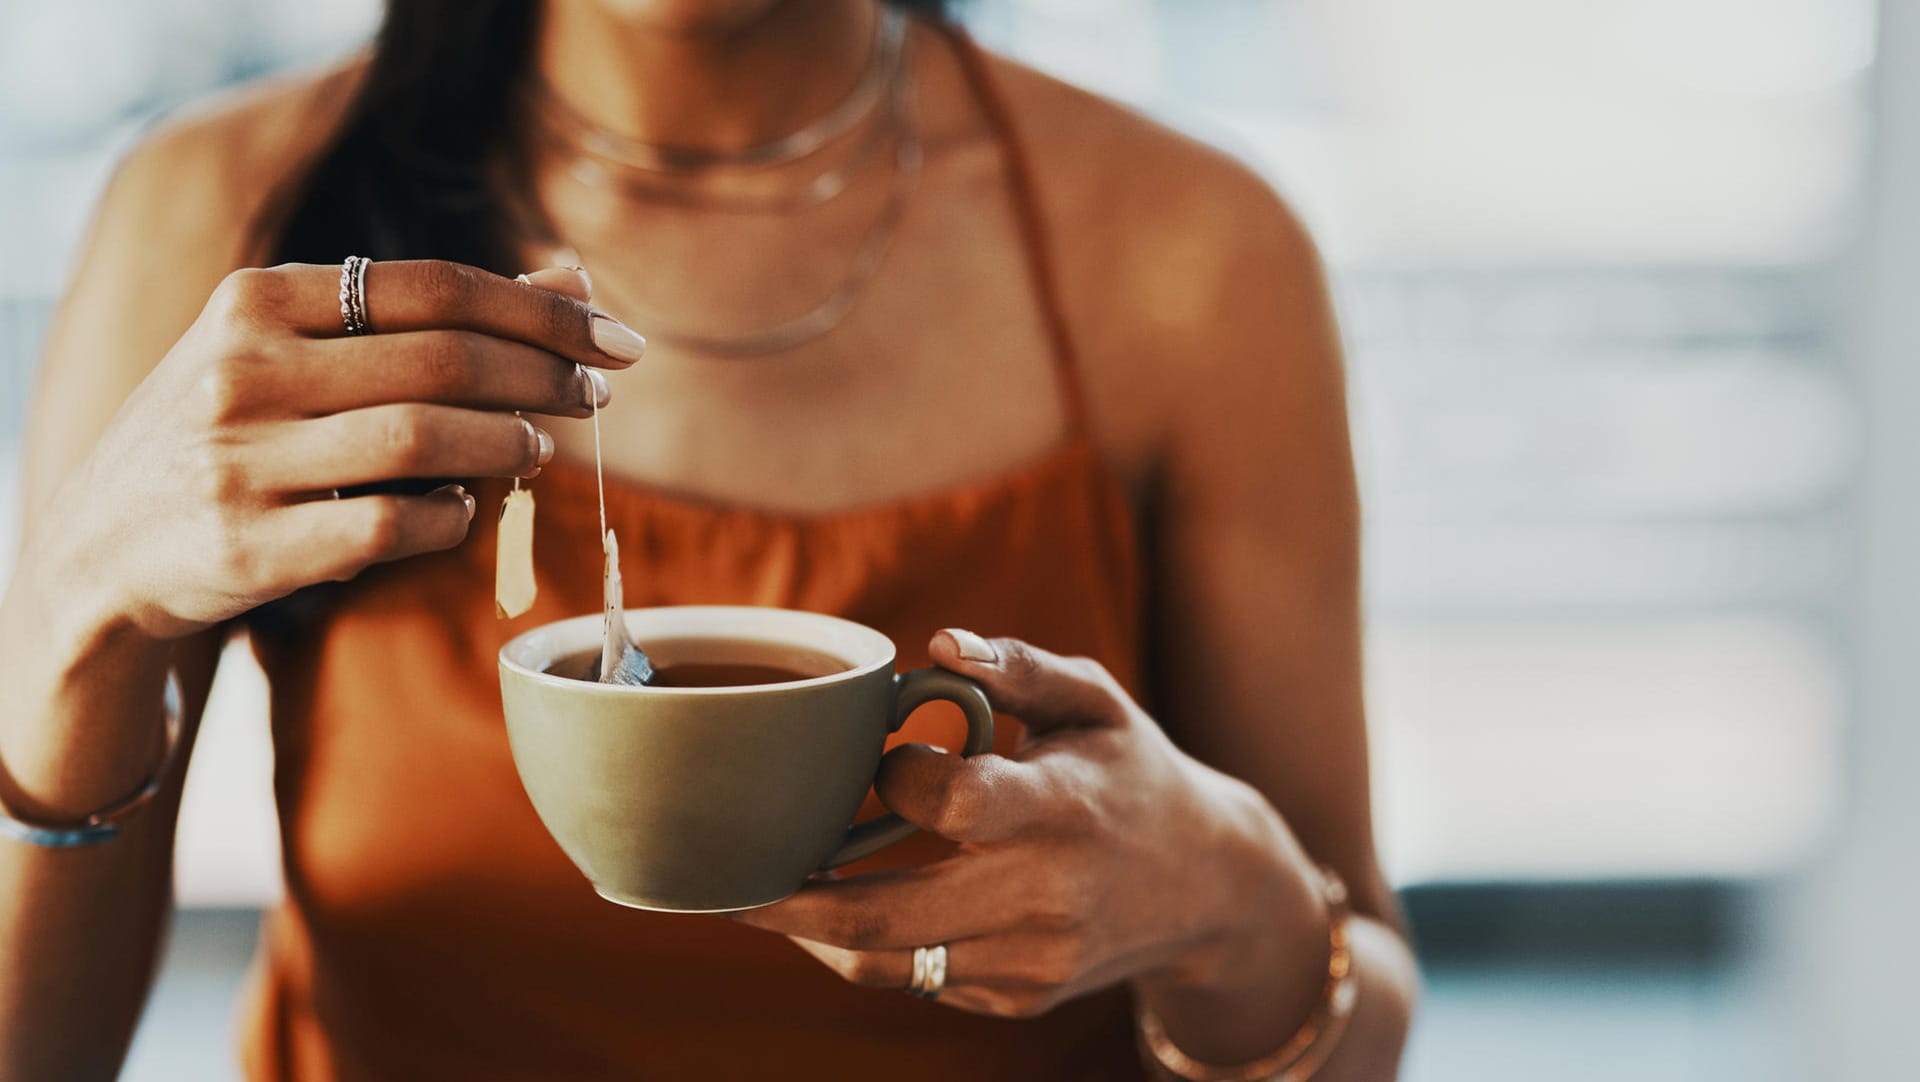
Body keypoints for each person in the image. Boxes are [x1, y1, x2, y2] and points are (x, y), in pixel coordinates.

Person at [0, 0, 1418, 1078]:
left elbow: (1365, 1007)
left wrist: (1234, 899)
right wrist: (77, 617)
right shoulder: (226, 223)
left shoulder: (1194, 252)